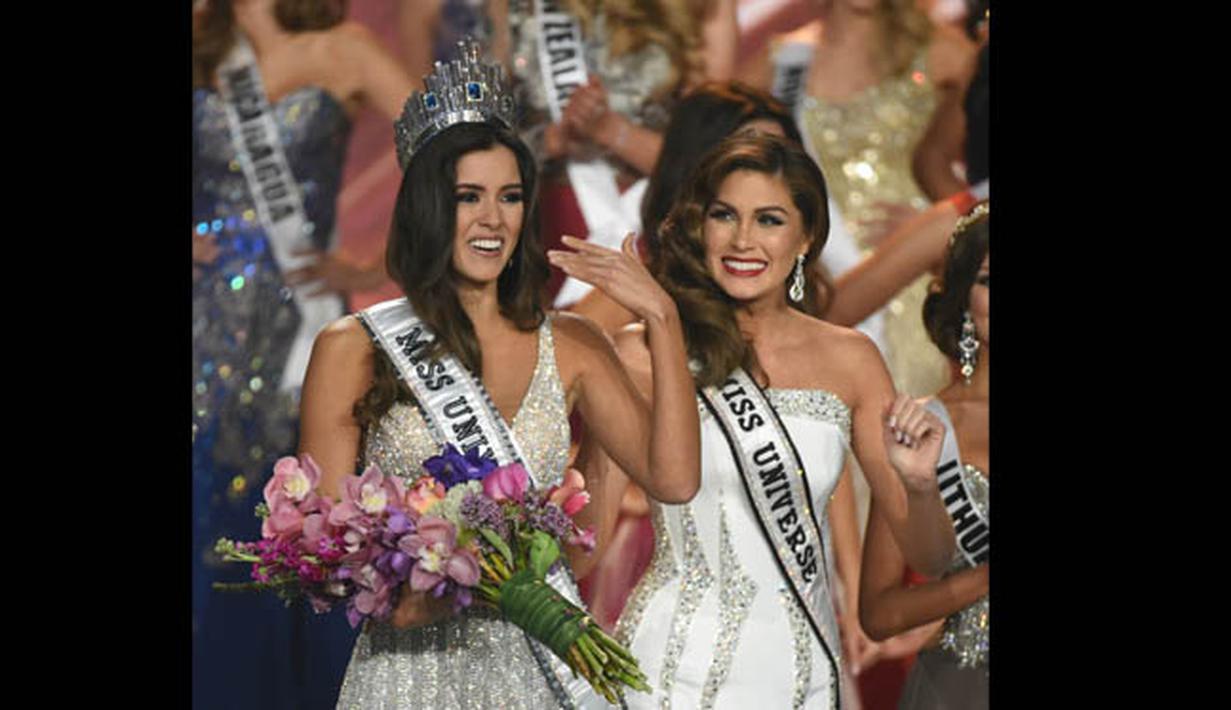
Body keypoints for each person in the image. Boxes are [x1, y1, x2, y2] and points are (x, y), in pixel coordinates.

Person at [296, 41, 701, 708]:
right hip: (406, 675)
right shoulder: (354, 348)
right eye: (468, 197)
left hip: (534, 672)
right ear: (428, 207)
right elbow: (327, 544)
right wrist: (417, 590)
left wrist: (660, 315)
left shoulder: (572, 344)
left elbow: (674, 479)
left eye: (510, 196)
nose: (493, 219)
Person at [571, 134, 955, 708]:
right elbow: (584, 543)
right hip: (668, 673)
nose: (743, 240)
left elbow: (929, 558)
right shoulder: (643, 352)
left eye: (769, 220)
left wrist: (922, 486)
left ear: (805, 238)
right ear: (701, 227)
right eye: (725, 215)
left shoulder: (850, 360)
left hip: (801, 677)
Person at [192, 1, 413, 707]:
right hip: (201, 325)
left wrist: (370, 263)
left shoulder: (342, 49)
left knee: (291, 520)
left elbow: (454, 148)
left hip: (298, 335)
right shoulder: (201, 44)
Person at [858, 202, 989, 710]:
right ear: (963, 301)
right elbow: (881, 611)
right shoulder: (926, 426)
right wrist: (980, 580)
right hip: (964, 688)